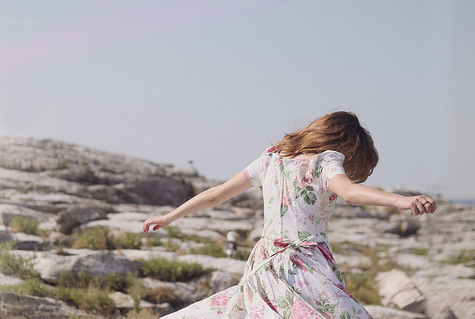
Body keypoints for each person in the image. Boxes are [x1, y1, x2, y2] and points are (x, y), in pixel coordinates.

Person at [143, 111, 437, 319]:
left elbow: (215, 195)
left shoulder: (270, 160)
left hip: (266, 261)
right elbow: (349, 193)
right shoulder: (326, 161)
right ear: (345, 145)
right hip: (304, 263)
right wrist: (400, 200)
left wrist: (170, 216)